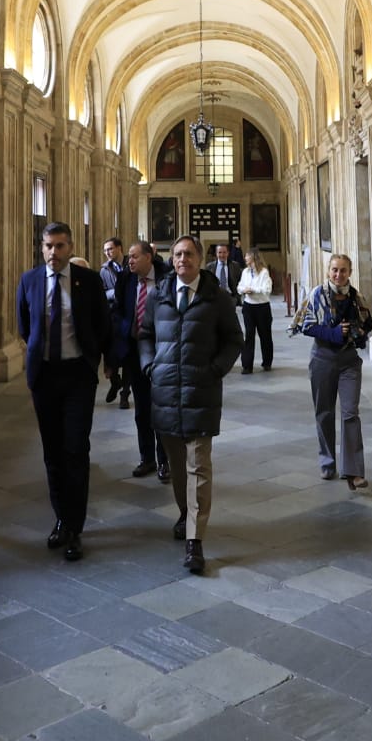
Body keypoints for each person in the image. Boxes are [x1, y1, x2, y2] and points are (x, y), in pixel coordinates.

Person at [137, 235, 243, 575]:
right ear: (172, 259)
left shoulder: (217, 297)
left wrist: (215, 369)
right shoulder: (160, 294)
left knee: (199, 467)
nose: (183, 259)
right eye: (178, 254)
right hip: (165, 392)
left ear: (200, 258)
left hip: (201, 392)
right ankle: (186, 513)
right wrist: (149, 365)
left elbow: (233, 339)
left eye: (189, 254)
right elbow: (145, 334)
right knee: (178, 466)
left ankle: (195, 542)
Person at [14, 221, 111, 561]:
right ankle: (60, 518)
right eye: (48, 246)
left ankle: (76, 526)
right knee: (53, 452)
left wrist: (93, 359)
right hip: (45, 377)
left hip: (77, 376)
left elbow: (101, 325)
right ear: (41, 248)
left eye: (59, 246)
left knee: (75, 449)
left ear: (70, 248)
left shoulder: (89, 281)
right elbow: (26, 326)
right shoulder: (29, 281)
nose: (53, 252)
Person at [300, 254, 372, 490]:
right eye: (334, 270)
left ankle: (353, 470)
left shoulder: (356, 297)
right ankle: (327, 461)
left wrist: (358, 334)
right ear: (328, 271)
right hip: (322, 358)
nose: (338, 275)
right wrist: (334, 333)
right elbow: (307, 325)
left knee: (350, 412)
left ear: (349, 272)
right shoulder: (317, 295)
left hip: (349, 360)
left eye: (343, 270)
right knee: (324, 412)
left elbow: (368, 323)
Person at [121, 239, 171, 482]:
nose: (129, 261)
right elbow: (119, 312)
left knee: (160, 408)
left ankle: (165, 460)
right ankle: (147, 458)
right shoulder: (126, 280)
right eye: (128, 257)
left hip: (162, 352)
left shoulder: (167, 279)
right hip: (133, 353)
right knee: (141, 410)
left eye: (134, 256)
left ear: (148, 257)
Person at [100, 237, 132, 407]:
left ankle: (125, 393)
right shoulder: (104, 270)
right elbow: (101, 292)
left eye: (110, 249)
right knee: (111, 354)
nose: (107, 253)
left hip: (128, 315)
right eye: (105, 250)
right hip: (112, 317)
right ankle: (115, 381)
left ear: (119, 248)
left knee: (127, 355)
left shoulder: (131, 265)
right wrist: (115, 293)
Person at [236, 248, 276, 373]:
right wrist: (243, 290)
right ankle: (247, 365)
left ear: (253, 257)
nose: (245, 258)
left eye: (247, 256)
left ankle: (267, 362)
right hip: (248, 306)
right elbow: (239, 287)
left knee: (265, 335)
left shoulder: (264, 272)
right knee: (249, 335)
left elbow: (267, 289)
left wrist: (253, 289)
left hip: (262, 306)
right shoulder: (245, 272)